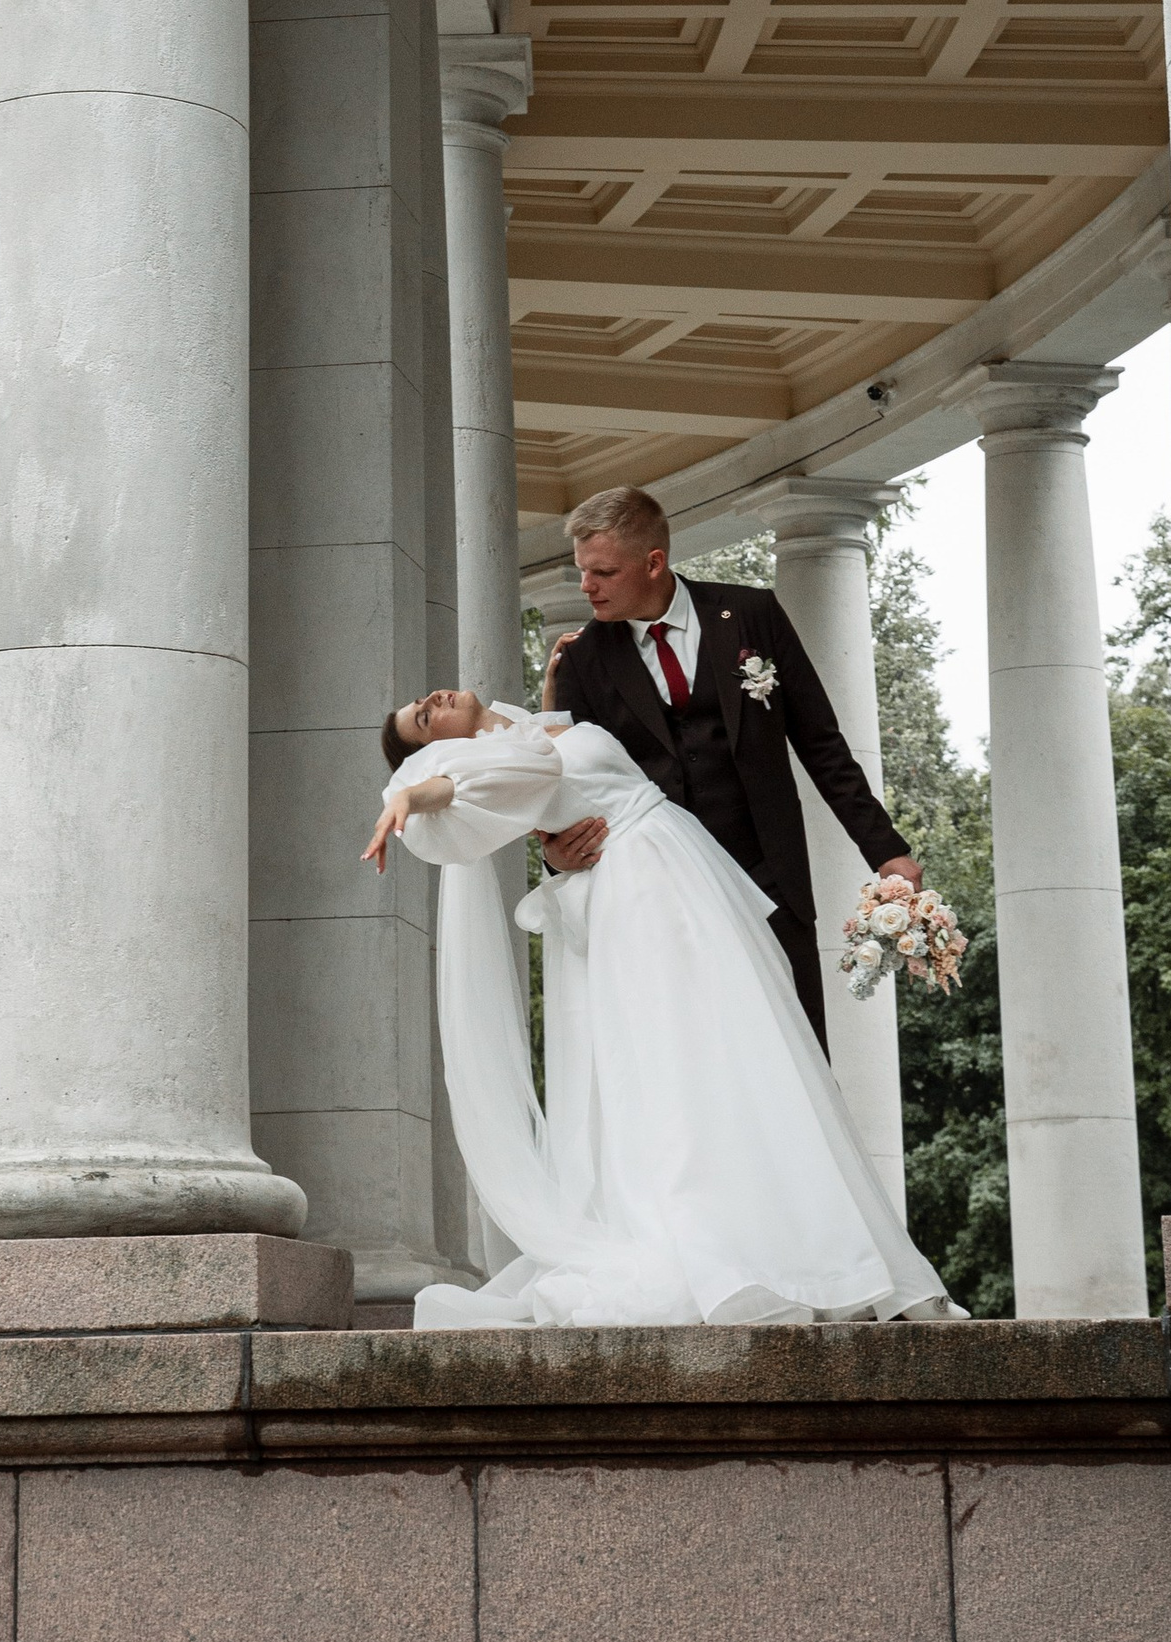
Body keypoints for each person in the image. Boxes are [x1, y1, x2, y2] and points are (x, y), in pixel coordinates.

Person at [365, 685, 960, 1331]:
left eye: (424, 701)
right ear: (439, 747)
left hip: (688, 875)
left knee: (751, 1056)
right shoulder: (486, 764)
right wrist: (406, 798)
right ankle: (716, 1255)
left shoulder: (530, 726)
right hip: (637, 898)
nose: (434, 700)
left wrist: (553, 687)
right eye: (424, 717)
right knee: (677, 1065)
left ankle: (817, 1246)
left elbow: (562, 762)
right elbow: (446, 788)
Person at [537, 485, 925, 1047]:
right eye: (582, 570)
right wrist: (555, 856)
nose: (586, 586)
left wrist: (886, 850)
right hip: (660, 893)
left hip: (771, 873)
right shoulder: (581, 659)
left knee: (799, 1051)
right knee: (697, 1056)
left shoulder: (751, 615)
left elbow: (821, 744)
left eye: (603, 572)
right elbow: (574, 782)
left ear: (653, 563)